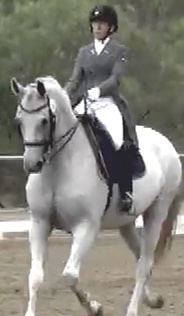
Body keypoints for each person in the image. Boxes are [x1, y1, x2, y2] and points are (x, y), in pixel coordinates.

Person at [64, 4, 139, 214]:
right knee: (65, 134)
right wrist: (61, 96)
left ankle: (126, 192)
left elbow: (115, 78)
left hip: (107, 104)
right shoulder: (84, 52)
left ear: (111, 27)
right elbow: (75, 79)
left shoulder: (119, 51)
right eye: (95, 24)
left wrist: (98, 90)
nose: (97, 27)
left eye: (102, 24)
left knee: (117, 141)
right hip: (86, 104)